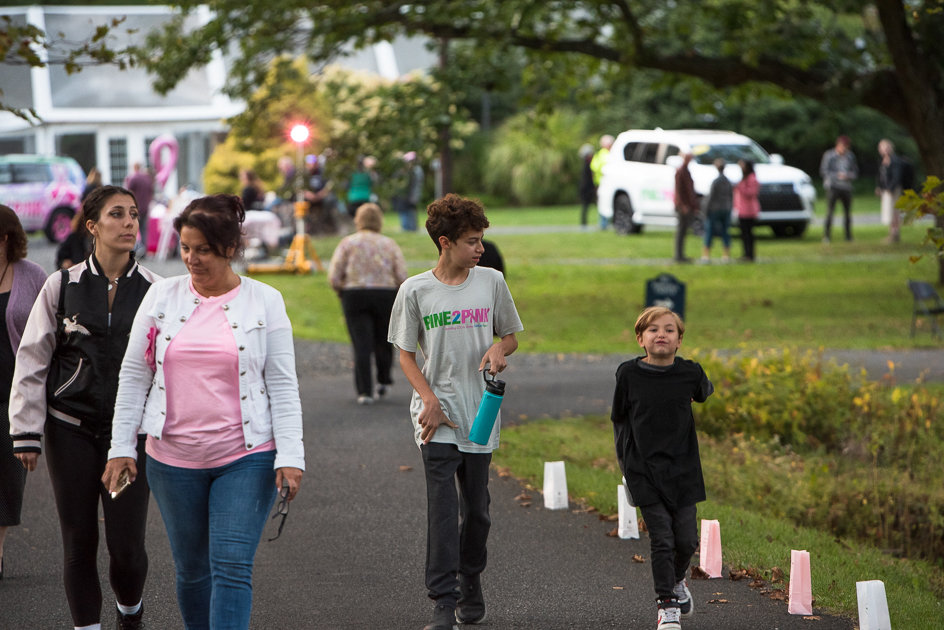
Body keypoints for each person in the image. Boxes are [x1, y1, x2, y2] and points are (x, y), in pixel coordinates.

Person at [102, 193, 305, 630]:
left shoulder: (265, 301)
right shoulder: (161, 297)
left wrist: (291, 456)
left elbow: (283, 384)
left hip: (246, 456)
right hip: (172, 461)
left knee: (231, 567)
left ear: (230, 248)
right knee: (192, 571)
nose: (191, 258)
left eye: (204, 250)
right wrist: (122, 447)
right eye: (186, 247)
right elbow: (135, 376)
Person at [9, 185, 159, 630]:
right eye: (117, 215)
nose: (130, 222)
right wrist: (26, 431)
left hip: (130, 436)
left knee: (126, 545)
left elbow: (170, 366)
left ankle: (129, 612)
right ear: (92, 226)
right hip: (69, 428)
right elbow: (33, 359)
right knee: (78, 540)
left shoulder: (157, 291)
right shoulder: (62, 285)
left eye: (134, 214)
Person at [388, 193, 523, 630]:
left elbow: (511, 336)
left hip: (480, 412)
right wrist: (428, 399)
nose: (480, 248)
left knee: (478, 511)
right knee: (443, 511)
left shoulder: (491, 281)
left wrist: (499, 349)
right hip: (437, 415)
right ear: (444, 242)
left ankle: (471, 577)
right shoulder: (415, 290)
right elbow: (406, 354)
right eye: (471, 240)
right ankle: (443, 601)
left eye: (481, 239)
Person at [610, 306, 714, 630]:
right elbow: (619, 417)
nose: (661, 335)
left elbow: (702, 394)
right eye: (653, 330)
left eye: (669, 330)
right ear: (640, 338)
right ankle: (666, 605)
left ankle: (678, 580)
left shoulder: (691, 374)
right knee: (662, 539)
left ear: (680, 340)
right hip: (644, 470)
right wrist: (626, 464)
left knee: (686, 540)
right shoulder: (628, 374)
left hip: (684, 470)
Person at [0, 205, 47, 581]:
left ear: (5, 238)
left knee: (5, 479)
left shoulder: (32, 277)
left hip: (11, 396)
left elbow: (48, 337)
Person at [328, 202, 407, 405]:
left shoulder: (348, 243)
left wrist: (340, 290)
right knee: (384, 339)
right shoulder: (389, 244)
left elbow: (334, 275)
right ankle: (383, 380)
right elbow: (401, 275)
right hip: (385, 294)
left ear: (358, 220)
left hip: (354, 295)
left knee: (361, 343)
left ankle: (365, 391)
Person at [819, 135, 858, 242]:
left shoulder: (850, 156)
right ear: (838, 145)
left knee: (847, 213)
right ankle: (826, 236)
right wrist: (837, 175)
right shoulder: (829, 155)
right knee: (830, 212)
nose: (844, 149)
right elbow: (824, 171)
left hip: (846, 187)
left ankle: (848, 236)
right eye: (842, 146)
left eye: (846, 147)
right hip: (833, 187)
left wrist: (848, 176)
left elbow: (855, 172)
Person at [700, 158, 732, 263]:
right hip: (726, 208)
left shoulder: (716, 181)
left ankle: (706, 255)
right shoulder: (728, 181)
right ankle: (726, 255)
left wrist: (705, 210)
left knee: (709, 231)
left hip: (715, 209)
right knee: (725, 231)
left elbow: (711, 197)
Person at [875, 139, 904, 243]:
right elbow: (881, 176)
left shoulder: (895, 160)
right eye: (882, 148)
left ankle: (895, 234)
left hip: (893, 190)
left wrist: (890, 188)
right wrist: (880, 187)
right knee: (889, 211)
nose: (884, 150)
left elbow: (897, 176)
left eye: (886, 147)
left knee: (895, 211)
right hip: (886, 190)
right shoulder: (883, 161)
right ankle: (891, 233)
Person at [124, 163, 155, 255]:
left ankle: (132, 248)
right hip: (145, 206)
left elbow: (127, 192)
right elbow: (151, 191)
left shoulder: (133, 178)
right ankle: (144, 250)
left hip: (135, 206)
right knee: (143, 229)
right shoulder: (147, 179)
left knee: (132, 228)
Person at [733, 160, 760, 262]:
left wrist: (740, 188)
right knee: (744, 234)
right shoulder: (744, 179)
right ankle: (745, 253)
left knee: (749, 233)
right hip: (742, 210)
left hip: (749, 211)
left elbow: (752, 193)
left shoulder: (752, 178)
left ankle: (750, 254)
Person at [303, 154, 337, 234]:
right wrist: (308, 194)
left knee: (330, 200)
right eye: (310, 164)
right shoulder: (304, 174)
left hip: (322, 196)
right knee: (300, 203)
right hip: (309, 197)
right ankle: (308, 227)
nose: (312, 166)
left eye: (314, 163)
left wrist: (320, 195)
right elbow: (300, 188)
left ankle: (328, 225)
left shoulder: (323, 172)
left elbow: (329, 185)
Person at [673, 153, 698, 263]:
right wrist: (683, 205)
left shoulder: (686, 171)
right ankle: (678, 256)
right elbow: (678, 190)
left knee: (684, 231)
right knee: (681, 231)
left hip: (687, 205)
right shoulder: (680, 171)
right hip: (682, 206)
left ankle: (681, 255)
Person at [394, 151, 424, 232]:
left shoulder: (415, 171)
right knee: (407, 210)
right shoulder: (407, 171)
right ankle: (408, 228)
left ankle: (411, 228)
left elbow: (415, 184)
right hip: (407, 195)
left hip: (411, 195)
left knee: (410, 211)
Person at [590, 135, 614, 229]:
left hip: (600, 183)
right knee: (606, 202)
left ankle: (604, 223)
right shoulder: (608, 155)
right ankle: (605, 223)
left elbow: (593, 168)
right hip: (606, 183)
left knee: (602, 203)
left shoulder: (599, 154)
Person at [578, 143, 596, 227]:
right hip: (587, 189)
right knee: (585, 206)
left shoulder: (588, 164)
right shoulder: (587, 165)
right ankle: (583, 223)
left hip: (587, 189)